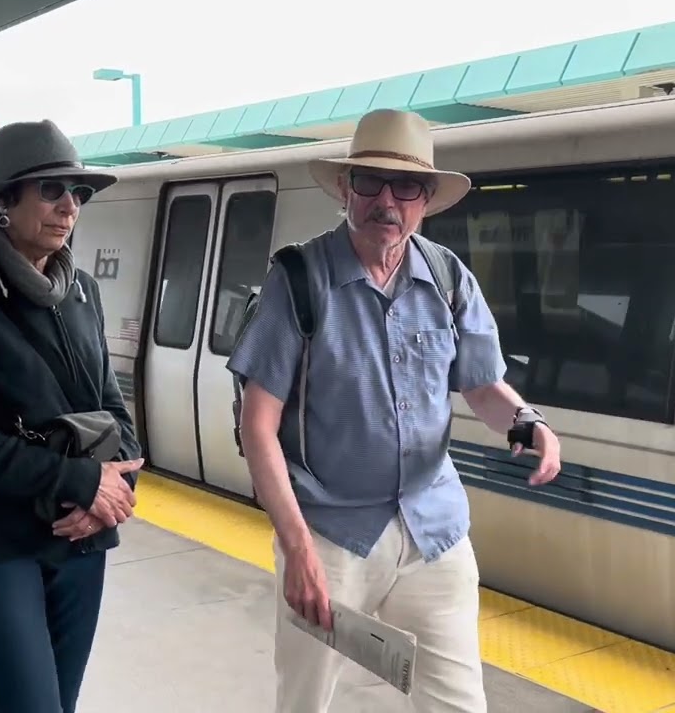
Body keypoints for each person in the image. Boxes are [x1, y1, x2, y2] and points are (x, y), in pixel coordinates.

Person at [227, 108, 563, 713]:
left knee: (458, 702)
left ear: (425, 200)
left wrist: (527, 420)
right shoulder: (299, 280)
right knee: (304, 701)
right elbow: (259, 426)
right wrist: (297, 549)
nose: (386, 201)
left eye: (406, 186)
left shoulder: (449, 277)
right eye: (370, 182)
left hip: (434, 529)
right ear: (345, 188)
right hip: (330, 536)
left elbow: (483, 386)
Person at [0, 119, 144, 713]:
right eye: (52, 190)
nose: (70, 206)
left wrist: (114, 490)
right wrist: (81, 481)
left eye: (79, 193)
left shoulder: (82, 291)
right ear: (4, 202)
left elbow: (113, 409)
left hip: (80, 534)